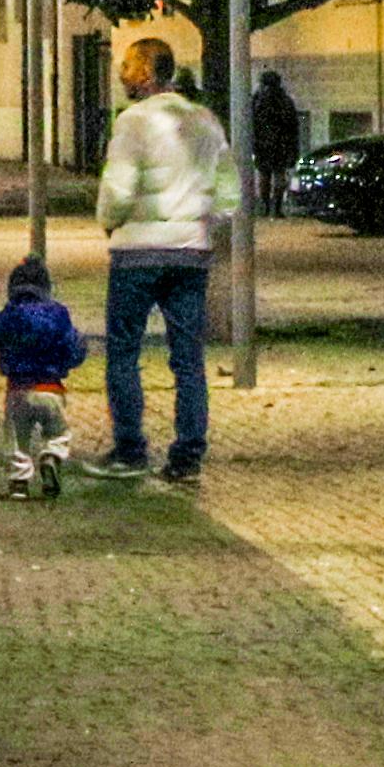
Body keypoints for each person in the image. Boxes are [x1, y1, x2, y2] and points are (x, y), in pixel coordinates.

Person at [94, 37, 234, 481]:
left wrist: (109, 222)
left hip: (138, 252)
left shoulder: (133, 123)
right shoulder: (205, 121)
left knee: (123, 352)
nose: (122, 73)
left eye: (128, 66)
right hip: (190, 253)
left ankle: (130, 450)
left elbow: (118, 189)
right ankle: (188, 455)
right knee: (188, 358)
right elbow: (230, 193)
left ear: (146, 74)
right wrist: (202, 223)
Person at [0, 255, 89, 496]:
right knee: (58, 433)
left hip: (17, 390)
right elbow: (73, 348)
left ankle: (19, 483)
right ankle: (51, 456)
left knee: (16, 441)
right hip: (51, 388)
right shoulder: (59, 314)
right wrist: (77, 353)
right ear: (46, 287)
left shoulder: (10, 314)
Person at [249, 68, 303, 219]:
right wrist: (293, 149)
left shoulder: (257, 100)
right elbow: (293, 125)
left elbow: (251, 122)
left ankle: (265, 207)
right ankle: (277, 208)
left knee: (264, 176)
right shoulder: (285, 100)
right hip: (281, 144)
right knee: (279, 175)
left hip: (262, 144)